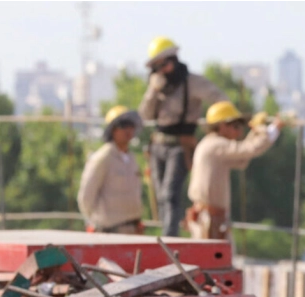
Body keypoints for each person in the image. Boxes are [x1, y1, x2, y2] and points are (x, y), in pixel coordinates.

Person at [138, 36, 228, 237]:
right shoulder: (157, 87)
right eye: (157, 67)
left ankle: (170, 240)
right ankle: (166, 233)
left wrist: (218, 122)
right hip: (158, 146)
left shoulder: (193, 83)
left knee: (171, 195)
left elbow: (221, 99)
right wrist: (153, 91)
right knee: (161, 196)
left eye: (166, 64)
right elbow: (144, 115)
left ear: (175, 60)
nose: (164, 70)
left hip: (181, 146)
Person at [186, 102, 282, 240]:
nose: (239, 132)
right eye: (235, 126)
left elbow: (242, 158)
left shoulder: (211, 144)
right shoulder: (216, 145)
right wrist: (267, 130)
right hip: (210, 219)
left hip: (209, 217)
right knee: (216, 260)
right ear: (222, 125)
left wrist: (256, 132)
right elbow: (250, 149)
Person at [77, 106, 144, 234]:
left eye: (131, 125)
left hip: (132, 230)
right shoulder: (102, 158)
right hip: (109, 231)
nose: (128, 129)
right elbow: (86, 196)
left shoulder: (131, 158)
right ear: (112, 129)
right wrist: (93, 221)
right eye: (123, 125)